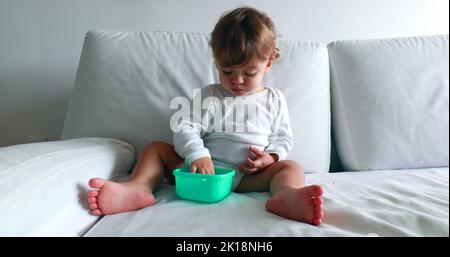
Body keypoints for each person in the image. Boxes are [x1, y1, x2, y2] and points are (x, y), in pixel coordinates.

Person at [87, 7, 324, 226]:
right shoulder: (209, 94)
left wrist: (270, 158)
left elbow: (284, 138)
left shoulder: (274, 99)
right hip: (198, 171)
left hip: (247, 176)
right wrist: (197, 155)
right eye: (227, 71)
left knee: (291, 167)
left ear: (268, 63)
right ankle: (138, 187)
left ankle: (286, 197)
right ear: (216, 63)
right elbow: (185, 126)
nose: (237, 80)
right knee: (155, 149)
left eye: (249, 72)